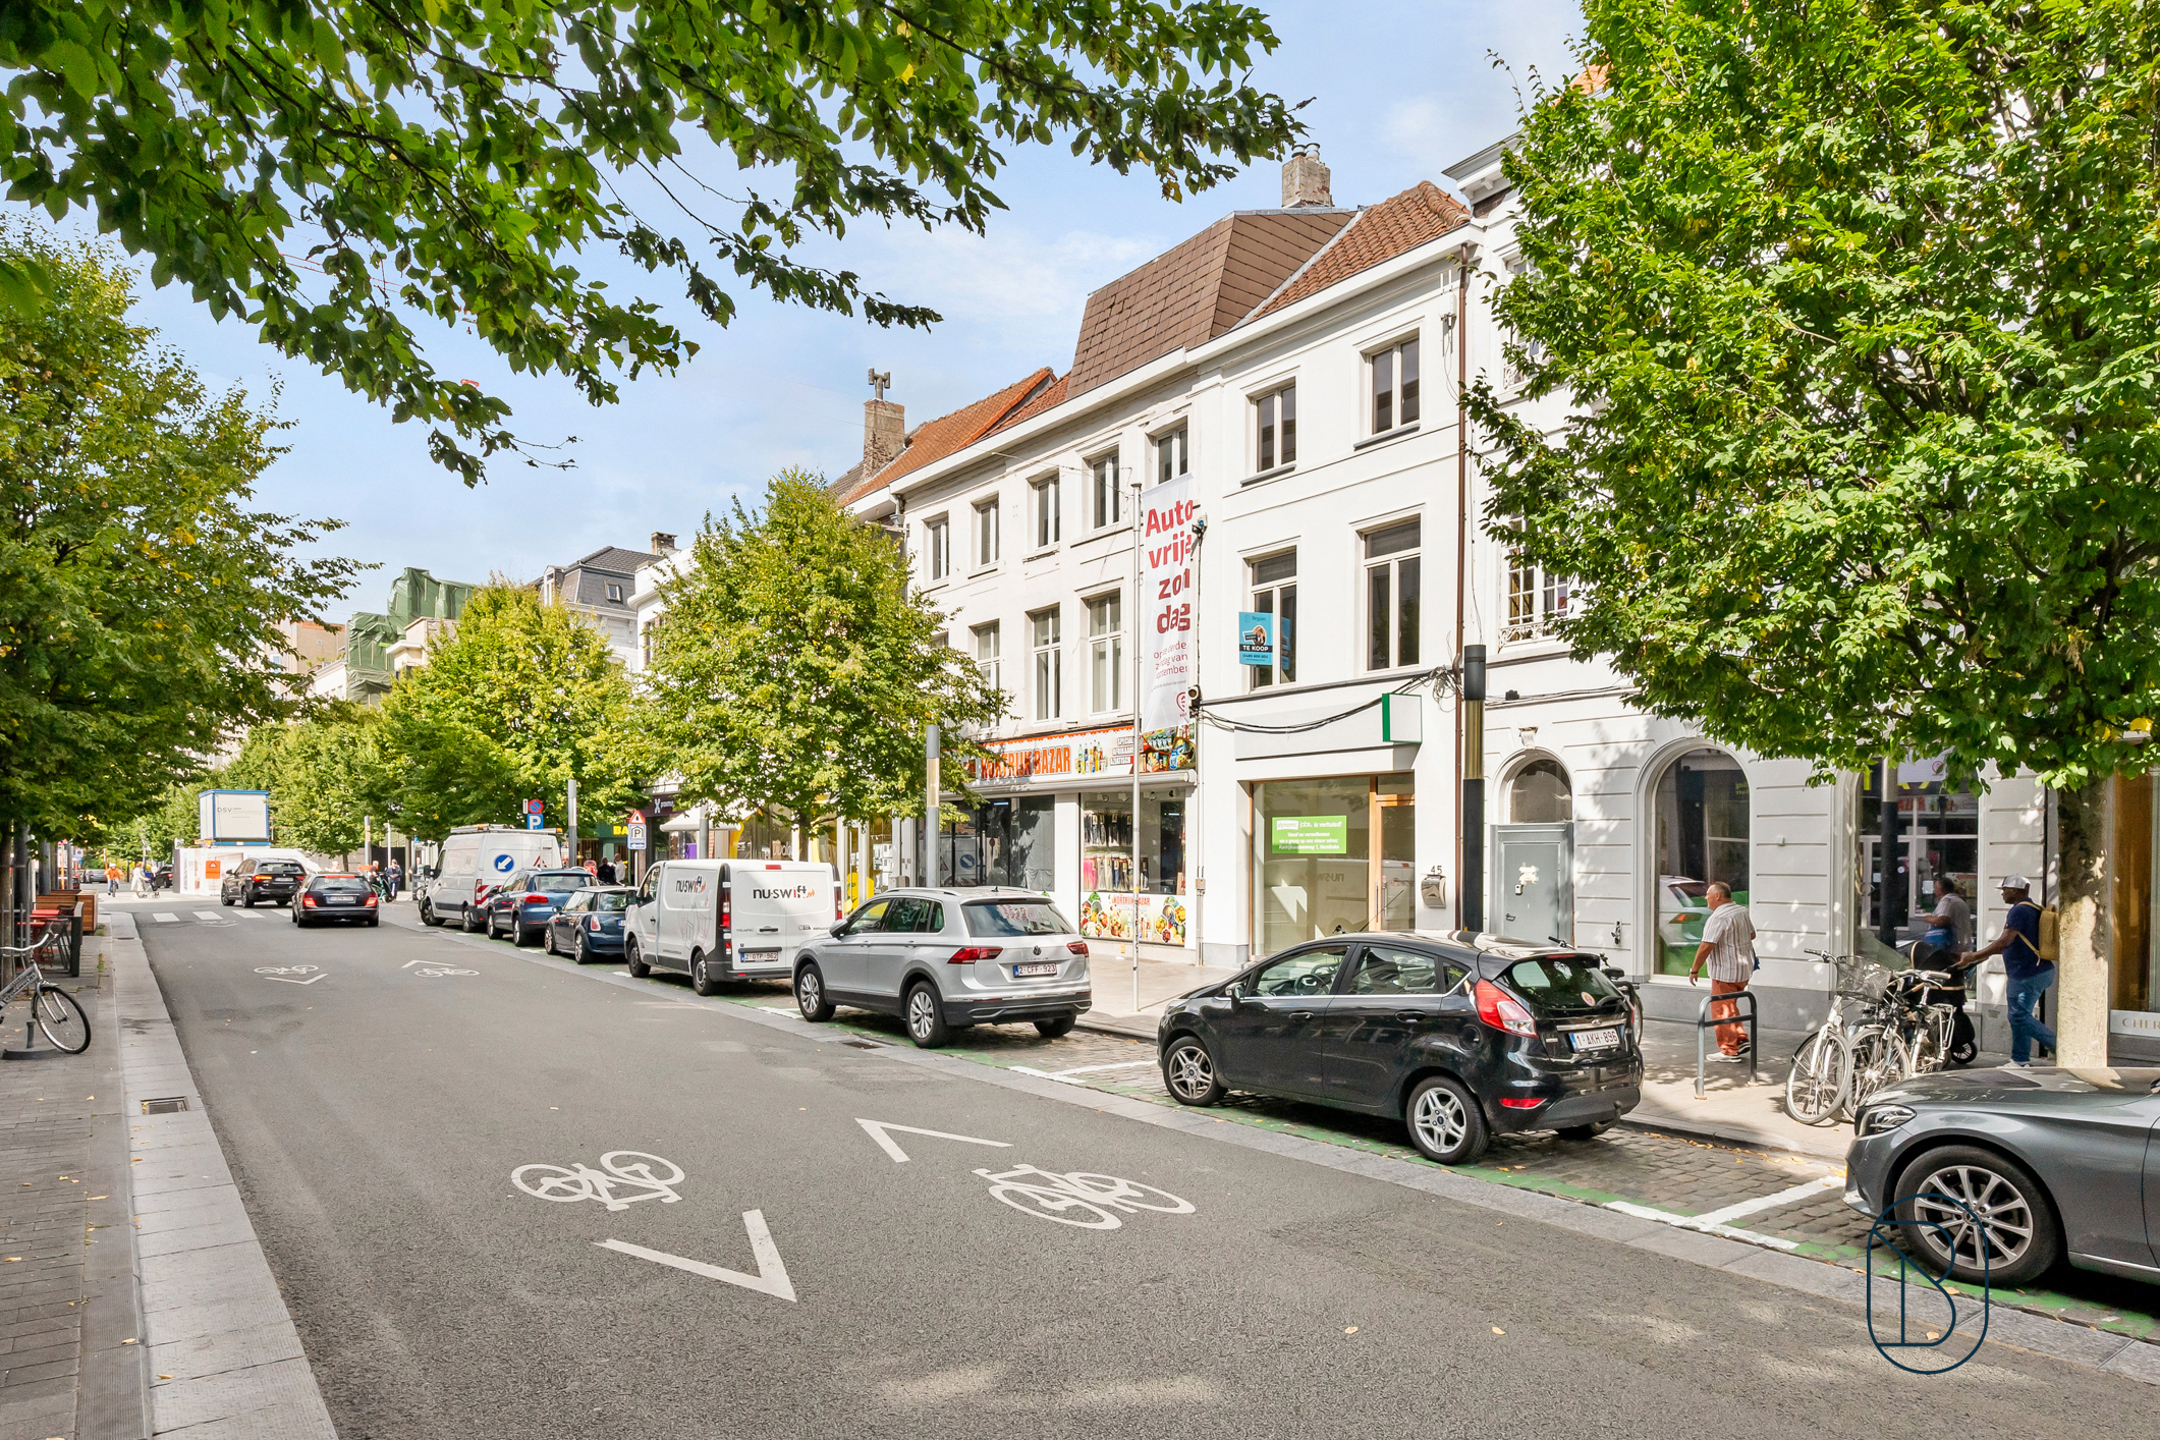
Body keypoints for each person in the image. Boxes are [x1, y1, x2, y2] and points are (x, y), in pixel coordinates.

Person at [1960, 874, 2055, 1066]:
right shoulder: (2033, 909)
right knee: (2020, 1015)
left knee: (2018, 1015)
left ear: (2016, 890)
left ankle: (2059, 1047)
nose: (2002, 893)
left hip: (2026, 973)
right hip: (2039, 970)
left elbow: (2005, 942)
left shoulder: (2018, 911)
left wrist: (1974, 955)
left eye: (2004, 889)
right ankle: (2020, 1060)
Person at [1687, 880, 1756, 1058]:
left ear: (1717, 896)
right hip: (1743, 970)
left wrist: (1694, 969)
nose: (1705, 897)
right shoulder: (1741, 910)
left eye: (1708, 894)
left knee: (1720, 1009)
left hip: (1725, 971)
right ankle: (1740, 1039)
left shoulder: (1718, 917)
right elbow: (1752, 934)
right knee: (1730, 1005)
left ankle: (1729, 1050)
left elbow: (1706, 945)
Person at [1933, 877, 1974, 952]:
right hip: (1964, 944)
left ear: (1940, 890)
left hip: (1952, 946)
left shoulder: (1947, 901)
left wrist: (1929, 919)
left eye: (1935, 888)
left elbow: (1942, 920)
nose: (1934, 891)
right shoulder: (1960, 901)